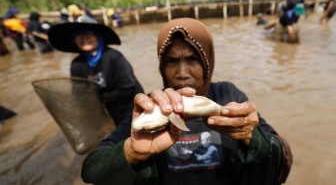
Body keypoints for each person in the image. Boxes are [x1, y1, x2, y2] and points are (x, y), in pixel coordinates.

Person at [81, 18, 292, 184]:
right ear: (161, 68)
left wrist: (252, 137)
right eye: (172, 61)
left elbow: (282, 159)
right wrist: (132, 152)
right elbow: (91, 170)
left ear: (207, 64)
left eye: (192, 59)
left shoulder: (228, 95)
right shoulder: (152, 107)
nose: (182, 73)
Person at [47, 21, 144, 127]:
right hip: (111, 109)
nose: (84, 38)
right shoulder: (77, 64)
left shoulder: (113, 57)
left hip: (131, 105)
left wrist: (101, 98)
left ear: (98, 36)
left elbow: (128, 87)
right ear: (73, 40)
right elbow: (79, 92)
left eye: (89, 33)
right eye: (78, 35)